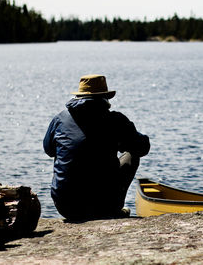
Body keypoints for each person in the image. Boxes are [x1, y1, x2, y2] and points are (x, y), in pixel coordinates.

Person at [43, 74, 150, 221]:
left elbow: (48, 150)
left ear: (78, 97)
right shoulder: (115, 120)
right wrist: (119, 139)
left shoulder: (60, 119)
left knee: (64, 154)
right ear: (105, 98)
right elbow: (142, 147)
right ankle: (113, 208)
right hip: (102, 207)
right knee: (131, 155)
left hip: (65, 206)